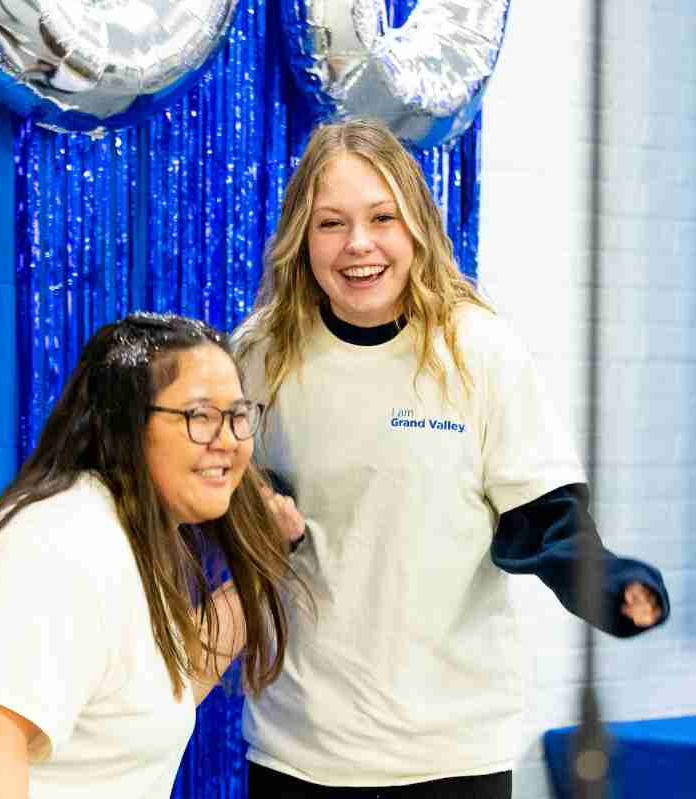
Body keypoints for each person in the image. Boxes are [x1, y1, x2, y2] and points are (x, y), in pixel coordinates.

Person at [235, 118, 670, 798]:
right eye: (331, 223)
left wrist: (612, 583)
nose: (359, 244)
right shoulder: (262, 353)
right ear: (301, 237)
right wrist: (252, 511)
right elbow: (225, 499)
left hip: (450, 753)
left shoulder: (477, 352)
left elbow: (546, 521)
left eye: (383, 217)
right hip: (299, 748)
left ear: (417, 227)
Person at [0, 312, 303, 799]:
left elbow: (172, 683)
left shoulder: (130, 533)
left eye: (237, 416)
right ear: (124, 426)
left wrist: (268, 556)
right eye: (200, 416)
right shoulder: (65, 541)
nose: (227, 440)